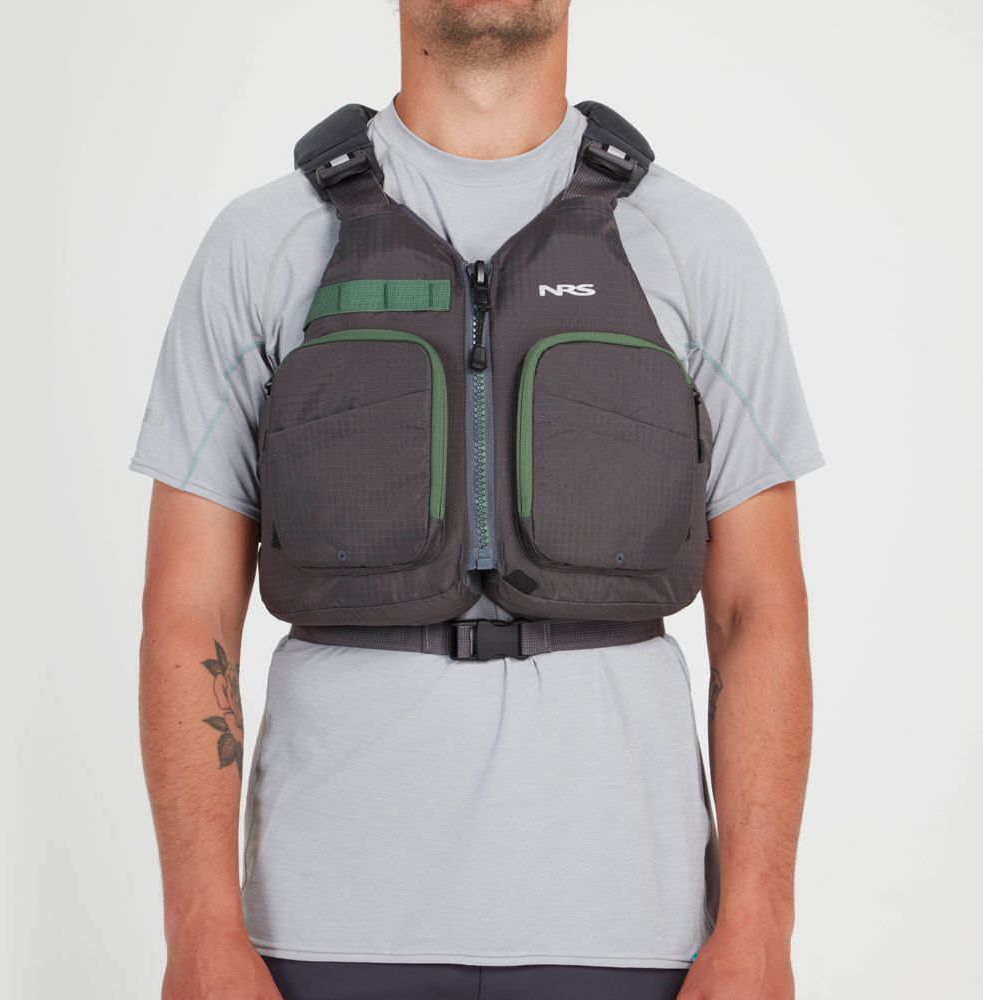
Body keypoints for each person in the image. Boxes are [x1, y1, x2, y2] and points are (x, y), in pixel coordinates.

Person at [133, 2, 823, 998]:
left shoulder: (694, 246)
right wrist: (198, 927)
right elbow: (187, 611)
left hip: (629, 930)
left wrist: (761, 920)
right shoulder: (263, 244)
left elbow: (760, 607)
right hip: (322, 930)